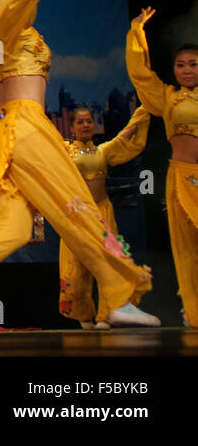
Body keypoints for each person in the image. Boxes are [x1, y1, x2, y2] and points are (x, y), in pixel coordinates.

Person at [0, 0, 158, 328]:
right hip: (26, 128)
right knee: (77, 205)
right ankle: (117, 295)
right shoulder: (3, 18)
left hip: (8, 131)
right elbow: (10, 15)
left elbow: (6, 29)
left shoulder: (6, 25)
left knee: (9, 220)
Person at [126, 7, 198, 328]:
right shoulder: (169, 98)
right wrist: (137, 34)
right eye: (180, 65)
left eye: (193, 65)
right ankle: (194, 312)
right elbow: (142, 75)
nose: (186, 70)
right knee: (186, 250)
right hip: (180, 175)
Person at [59, 105, 150, 328]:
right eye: (80, 122)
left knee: (109, 263)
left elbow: (125, 136)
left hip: (103, 212)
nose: (86, 125)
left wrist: (145, 108)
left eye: (89, 120)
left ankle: (107, 314)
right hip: (79, 217)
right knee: (77, 267)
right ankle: (83, 314)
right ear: (71, 127)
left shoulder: (102, 151)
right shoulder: (64, 151)